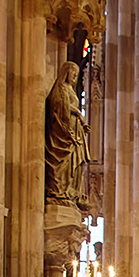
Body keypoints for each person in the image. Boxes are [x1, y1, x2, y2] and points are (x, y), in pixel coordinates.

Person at [45, 61, 90, 207]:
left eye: (77, 75)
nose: (75, 77)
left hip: (75, 130)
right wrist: (76, 112)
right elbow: (59, 106)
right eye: (73, 73)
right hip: (64, 131)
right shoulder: (61, 88)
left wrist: (82, 125)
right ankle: (59, 192)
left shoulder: (70, 89)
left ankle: (69, 193)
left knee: (75, 162)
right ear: (66, 73)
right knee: (64, 161)